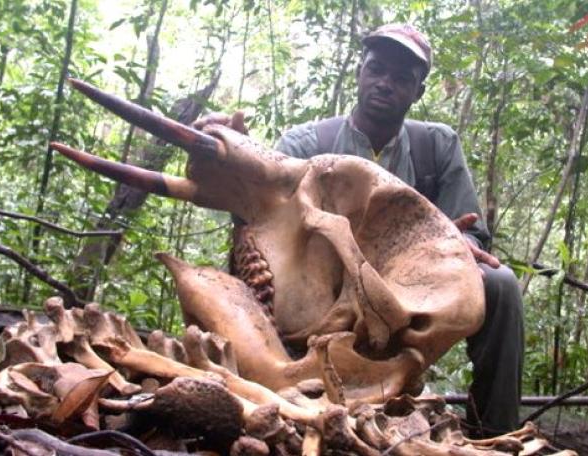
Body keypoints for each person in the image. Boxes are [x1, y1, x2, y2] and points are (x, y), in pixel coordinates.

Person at [196, 23, 524, 437]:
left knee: (501, 284)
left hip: (410, 289)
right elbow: (257, 218)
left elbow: (473, 234)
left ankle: (494, 431)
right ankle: (268, 394)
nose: (385, 83)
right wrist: (233, 166)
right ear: (360, 72)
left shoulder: (436, 147)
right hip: (318, 290)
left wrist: (459, 247)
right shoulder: (305, 143)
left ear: (418, 91)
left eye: (401, 78)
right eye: (376, 69)